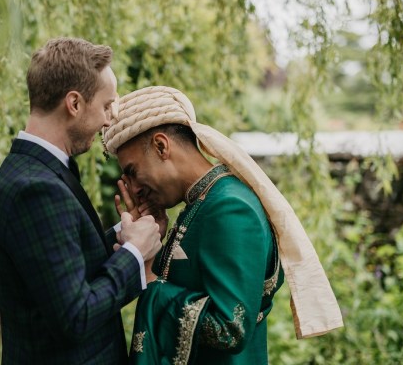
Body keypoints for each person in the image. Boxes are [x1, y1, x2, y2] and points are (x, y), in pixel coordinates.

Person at [102, 86, 344, 364]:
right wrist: (152, 244)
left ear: (161, 146)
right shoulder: (204, 202)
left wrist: (151, 279)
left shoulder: (230, 208)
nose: (132, 189)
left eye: (132, 172)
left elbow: (229, 328)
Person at [0, 37, 162, 365]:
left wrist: (125, 233)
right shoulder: (35, 189)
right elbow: (75, 317)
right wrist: (135, 254)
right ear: (75, 103)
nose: (110, 119)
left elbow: (62, 262)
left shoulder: (39, 169)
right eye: (107, 105)